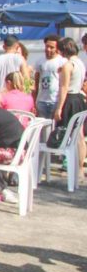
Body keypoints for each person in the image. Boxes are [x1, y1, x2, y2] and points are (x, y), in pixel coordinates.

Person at [53, 36, 87, 177]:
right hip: (79, 98)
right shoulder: (79, 62)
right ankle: (79, 168)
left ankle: (73, 167)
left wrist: (59, 108)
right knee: (79, 135)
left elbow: (63, 88)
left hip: (70, 99)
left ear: (62, 50)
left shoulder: (68, 65)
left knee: (69, 134)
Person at [34, 34, 66, 119]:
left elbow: (64, 84)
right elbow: (36, 82)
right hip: (41, 101)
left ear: (57, 48)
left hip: (55, 100)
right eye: (47, 46)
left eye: (52, 47)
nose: (48, 49)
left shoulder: (62, 62)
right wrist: (35, 100)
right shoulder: (40, 61)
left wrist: (60, 106)